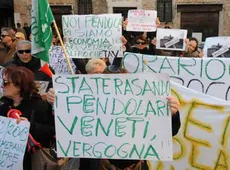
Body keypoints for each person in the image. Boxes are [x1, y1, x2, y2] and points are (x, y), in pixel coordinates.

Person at [47, 58, 181, 170]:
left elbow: (169, 132)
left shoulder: (141, 103)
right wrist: (56, 102)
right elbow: (67, 126)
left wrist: (172, 113)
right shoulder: (85, 101)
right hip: (96, 164)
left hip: (133, 164)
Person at [0, 66, 55, 170]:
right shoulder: (3, 105)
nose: (2, 86)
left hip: (30, 161)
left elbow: (51, 132)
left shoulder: (39, 105)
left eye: (6, 83)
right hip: (6, 161)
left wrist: (30, 126)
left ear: (19, 86)